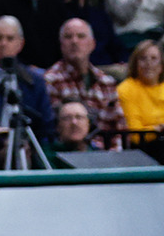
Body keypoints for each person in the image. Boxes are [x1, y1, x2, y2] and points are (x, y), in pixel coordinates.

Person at [43, 19, 125, 147]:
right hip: (66, 155)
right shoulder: (50, 81)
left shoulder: (107, 82)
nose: (75, 41)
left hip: (105, 158)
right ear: (61, 44)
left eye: (81, 36)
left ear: (92, 44)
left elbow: (118, 129)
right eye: (68, 37)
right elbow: (51, 130)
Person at [118, 39, 164, 134]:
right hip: (143, 146)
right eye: (143, 58)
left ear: (162, 65)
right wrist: (158, 129)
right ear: (135, 64)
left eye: (154, 58)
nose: (148, 63)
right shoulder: (126, 89)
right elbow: (135, 134)